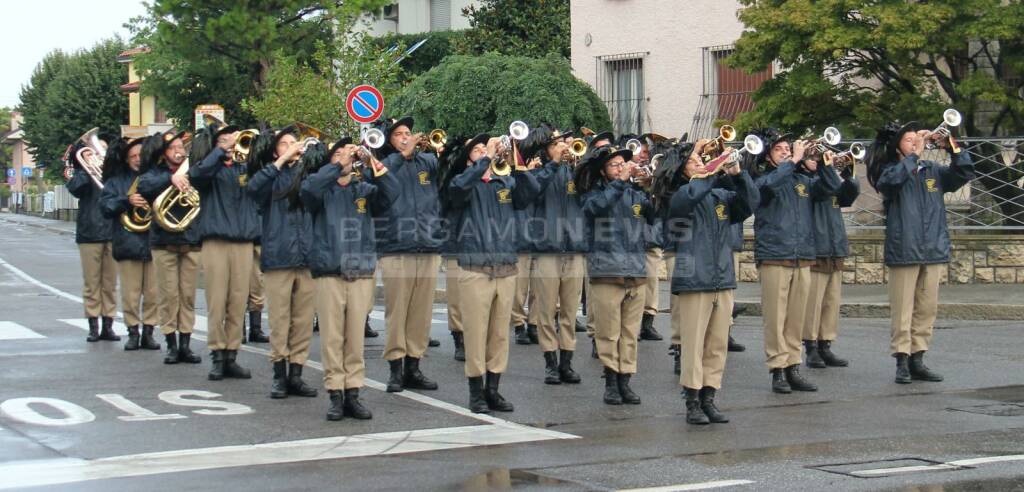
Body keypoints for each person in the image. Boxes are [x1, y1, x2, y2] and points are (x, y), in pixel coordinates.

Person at [867, 120, 974, 384]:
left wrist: (951, 146)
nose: (915, 142)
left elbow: (963, 173)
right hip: (905, 248)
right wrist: (914, 154)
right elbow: (889, 184)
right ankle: (901, 360)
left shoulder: (932, 170)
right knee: (903, 309)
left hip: (933, 248)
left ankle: (918, 358)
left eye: (917, 138)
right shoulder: (890, 169)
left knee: (926, 309)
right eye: (908, 139)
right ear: (897, 148)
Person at [302, 137, 397, 421]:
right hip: (329, 271)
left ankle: (353, 391)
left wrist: (372, 162)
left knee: (355, 337)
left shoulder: (363, 189)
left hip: (360, 271)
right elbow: (308, 190)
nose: (345, 157)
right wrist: (337, 166)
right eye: (338, 153)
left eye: (348, 152)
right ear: (329, 161)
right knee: (333, 338)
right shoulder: (320, 189)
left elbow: (392, 194)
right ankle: (334, 392)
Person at [667, 142, 759, 425]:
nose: (700, 164)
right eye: (694, 161)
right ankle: (692, 400)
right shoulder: (679, 193)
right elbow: (692, 195)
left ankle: (709, 396)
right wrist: (710, 170)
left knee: (717, 344)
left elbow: (750, 203)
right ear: (682, 169)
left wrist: (737, 173)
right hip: (695, 278)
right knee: (693, 344)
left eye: (701, 161)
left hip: (722, 277)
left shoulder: (720, 194)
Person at [448, 133, 539, 412]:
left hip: (506, 267)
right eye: (476, 150)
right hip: (476, 268)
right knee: (476, 332)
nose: (483, 152)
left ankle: (493, 390)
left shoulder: (505, 182)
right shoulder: (461, 182)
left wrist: (516, 160)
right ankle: (475, 392)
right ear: (468, 159)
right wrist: (486, 157)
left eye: (485, 149)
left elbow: (530, 193)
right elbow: (457, 191)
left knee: (499, 334)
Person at [751, 128, 839, 394]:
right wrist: (792, 162)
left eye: (788, 148)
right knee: (776, 319)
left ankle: (792, 366)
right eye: (780, 149)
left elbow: (833, 188)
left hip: (802, 256)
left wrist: (825, 164)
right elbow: (763, 190)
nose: (787, 151)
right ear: (768, 156)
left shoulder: (801, 179)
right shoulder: (764, 177)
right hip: (775, 255)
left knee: (796, 319)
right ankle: (777, 369)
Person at [577, 145, 653, 405]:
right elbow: (595, 209)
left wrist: (649, 188)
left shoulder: (634, 194)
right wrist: (620, 183)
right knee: (609, 333)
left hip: (636, 271)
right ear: (603, 171)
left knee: (630, 334)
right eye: (614, 165)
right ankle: (610, 382)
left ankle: (625, 381)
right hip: (607, 271)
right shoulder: (593, 195)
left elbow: (654, 217)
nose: (621, 168)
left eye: (623, 163)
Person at [247, 127, 319, 399]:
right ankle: (279, 374)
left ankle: (297, 374)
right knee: (280, 320)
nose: (291, 146)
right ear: (275, 150)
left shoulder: (308, 174)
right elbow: (253, 189)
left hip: (307, 257)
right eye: (285, 144)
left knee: (302, 321)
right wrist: (280, 162)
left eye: (294, 143)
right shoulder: (268, 176)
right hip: (278, 257)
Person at [188, 119, 261, 381]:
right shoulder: (209, 169)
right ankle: (217, 355)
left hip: (243, 241)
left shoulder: (245, 168)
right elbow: (195, 176)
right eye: (224, 139)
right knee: (217, 302)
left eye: (233, 138)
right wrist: (220, 152)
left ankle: (232, 354)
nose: (231, 142)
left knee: (237, 302)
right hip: (216, 241)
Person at [375, 116, 443, 393]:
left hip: (427, 244)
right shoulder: (384, 164)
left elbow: (445, 172)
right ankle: (395, 367)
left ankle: (414, 366)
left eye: (408, 133)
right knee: (397, 311)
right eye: (399, 134)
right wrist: (402, 155)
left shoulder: (426, 162)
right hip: (396, 245)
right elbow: (378, 179)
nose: (406, 137)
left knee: (421, 313)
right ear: (390, 141)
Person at [525, 125, 586, 385]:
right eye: (557, 143)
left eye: (564, 142)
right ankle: (550, 362)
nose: (563, 146)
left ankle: (567, 363)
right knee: (546, 312)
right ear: (547, 149)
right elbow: (532, 192)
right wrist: (552, 165)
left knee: (570, 312)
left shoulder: (575, 170)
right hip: (547, 249)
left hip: (573, 249)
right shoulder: (537, 171)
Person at [137, 130, 204, 365]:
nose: (178, 150)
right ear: (163, 153)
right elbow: (144, 186)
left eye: (180, 146)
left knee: (187, 295)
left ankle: (186, 344)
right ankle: (171, 346)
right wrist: (170, 179)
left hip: (190, 239)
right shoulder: (154, 173)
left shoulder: (192, 169)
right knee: (168, 295)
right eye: (173, 147)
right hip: (163, 241)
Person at [98, 136, 160, 351]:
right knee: (131, 293)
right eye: (132, 156)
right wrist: (127, 200)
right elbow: (105, 207)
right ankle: (133, 332)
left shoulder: (155, 177)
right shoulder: (116, 181)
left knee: (153, 293)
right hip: (127, 241)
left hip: (153, 241)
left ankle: (149, 332)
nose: (137, 159)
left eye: (140, 155)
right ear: (126, 160)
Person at [802, 150, 860, 368]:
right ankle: (811, 347)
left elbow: (847, 196)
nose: (818, 162)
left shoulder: (829, 178)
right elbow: (824, 187)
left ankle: (826, 344)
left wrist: (849, 174)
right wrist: (827, 168)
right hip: (817, 245)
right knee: (813, 303)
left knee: (831, 302)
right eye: (813, 158)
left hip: (835, 244)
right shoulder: (807, 181)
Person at [65, 135, 118, 343]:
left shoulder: (114, 172)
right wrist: (86, 167)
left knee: (110, 283)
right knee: (91, 283)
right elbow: (75, 189)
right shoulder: (82, 173)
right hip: (89, 232)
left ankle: (109, 325)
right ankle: (93, 325)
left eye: (102, 150)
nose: (99, 154)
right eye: (95, 150)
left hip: (112, 231)